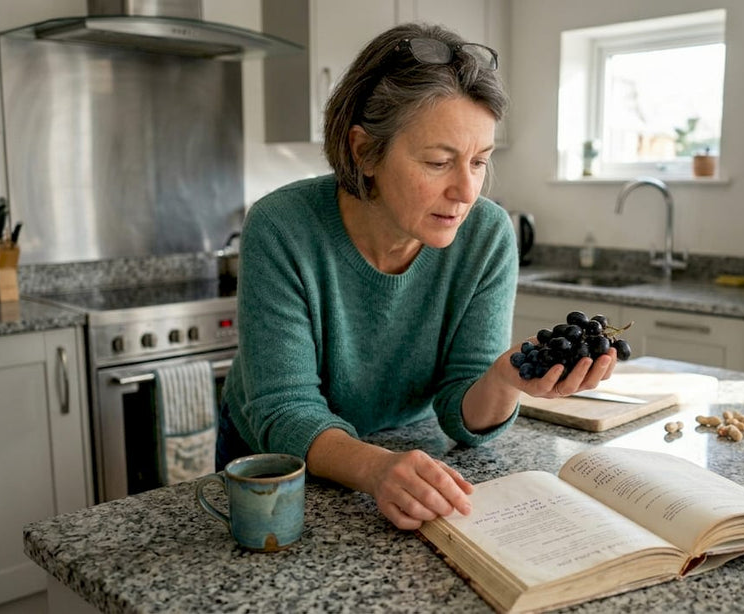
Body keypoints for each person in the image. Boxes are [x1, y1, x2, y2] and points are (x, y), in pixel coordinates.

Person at [217, 22, 617, 530]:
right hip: (278, 464)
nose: (466, 190)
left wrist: (503, 380)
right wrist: (374, 467)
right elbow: (284, 408)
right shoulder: (282, 226)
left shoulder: (488, 234)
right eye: (438, 162)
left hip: (401, 450)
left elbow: (461, 413)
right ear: (364, 152)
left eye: (479, 162)